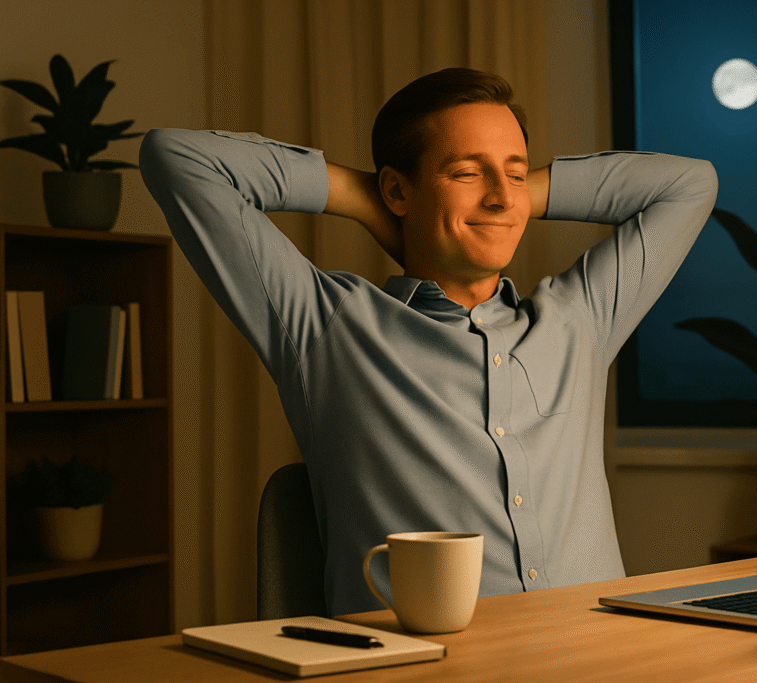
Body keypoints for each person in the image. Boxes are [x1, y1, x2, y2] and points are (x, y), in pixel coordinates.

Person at [140, 67, 717, 615]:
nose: (498, 195)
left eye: (513, 172)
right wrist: (364, 198)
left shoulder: (579, 319)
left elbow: (691, 184)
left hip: (602, 657)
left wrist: (511, 199)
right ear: (397, 189)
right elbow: (177, 158)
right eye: (466, 173)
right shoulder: (329, 327)